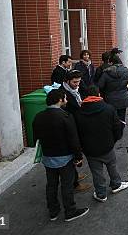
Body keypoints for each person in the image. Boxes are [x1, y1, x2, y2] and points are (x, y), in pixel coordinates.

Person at [32, 89, 89, 222]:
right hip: (64, 157)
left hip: (47, 157)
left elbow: (36, 137)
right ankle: (70, 210)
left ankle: (53, 211)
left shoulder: (38, 116)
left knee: (51, 184)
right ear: (60, 100)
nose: (67, 100)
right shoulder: (66, 117)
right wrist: (78, 156)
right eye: (65, 98)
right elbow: (73, 139)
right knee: (67, 185)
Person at [73, 86, 128, 202]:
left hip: (89, 149)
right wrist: (114, 139)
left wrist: (81, 148)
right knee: (112, 165)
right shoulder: (109, 109)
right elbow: (117, 127)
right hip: (107, 145)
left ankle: (101, 193)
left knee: (96, 172)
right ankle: (116, 184)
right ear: (99, 94)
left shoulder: (78, 113)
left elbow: (77, 133)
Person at [97, 54, 128, 130]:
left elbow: (100, 85)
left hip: (110, 99)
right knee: (121, 117)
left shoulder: (106, 73)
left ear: (111, 62)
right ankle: (120, 130)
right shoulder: (126, 71)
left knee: (111, 117)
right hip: (123, 98)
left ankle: (113, 132)